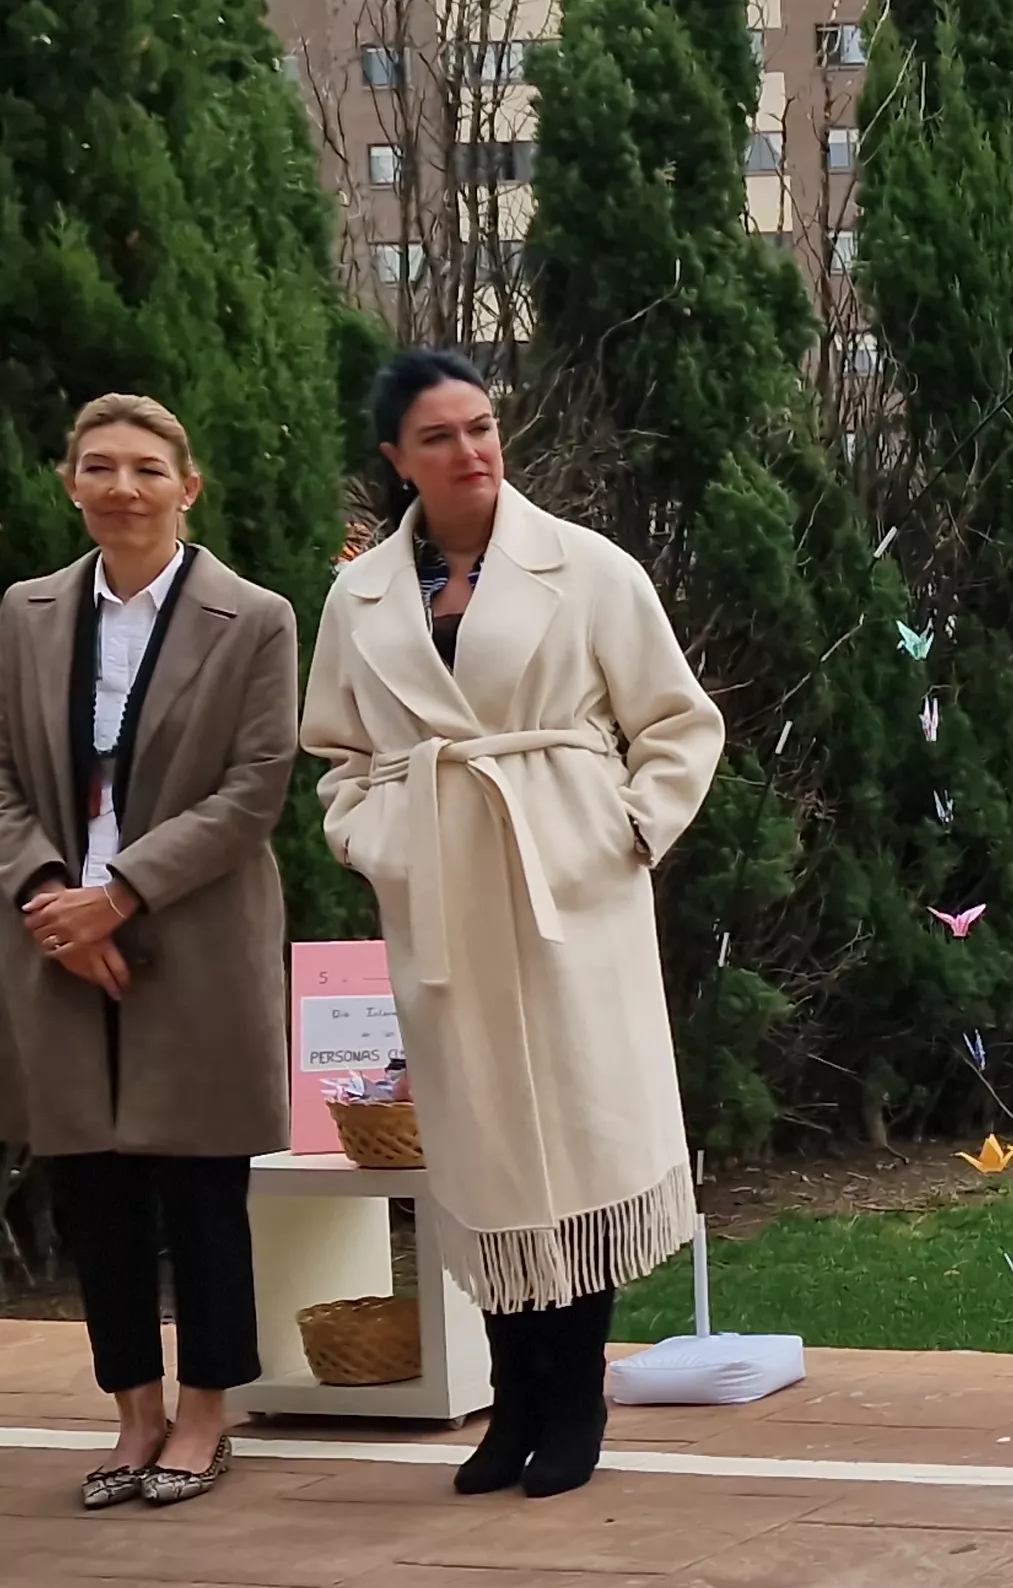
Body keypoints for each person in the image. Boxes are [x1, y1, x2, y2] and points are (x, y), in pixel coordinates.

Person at [302, 350, 722, 1497]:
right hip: (438, 891)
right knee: (483, 1147)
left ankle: (573, 1394)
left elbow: (680, 722)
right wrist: (373, 839)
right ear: (396, 458)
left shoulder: (584, 567)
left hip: (569, 888)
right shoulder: (360, 597)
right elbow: (336, 755)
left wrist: (624, 831)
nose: (471, 451)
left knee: (575, 1133)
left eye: (482, 427)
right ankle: (511, 1398)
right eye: (438, 436)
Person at [0, 396, 299, 1508]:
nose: (122, 487)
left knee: (201, 1185)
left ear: (189, 485)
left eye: (145, 468)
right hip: (49, 936)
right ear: (68, 483)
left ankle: (209, 1411)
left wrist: (119, 894)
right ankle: (133, 1408)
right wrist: (48, 897)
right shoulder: (23, 613)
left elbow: (255, 789)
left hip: (195, 927)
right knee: (92, 1188)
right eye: (97, 467)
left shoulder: (254, 617)